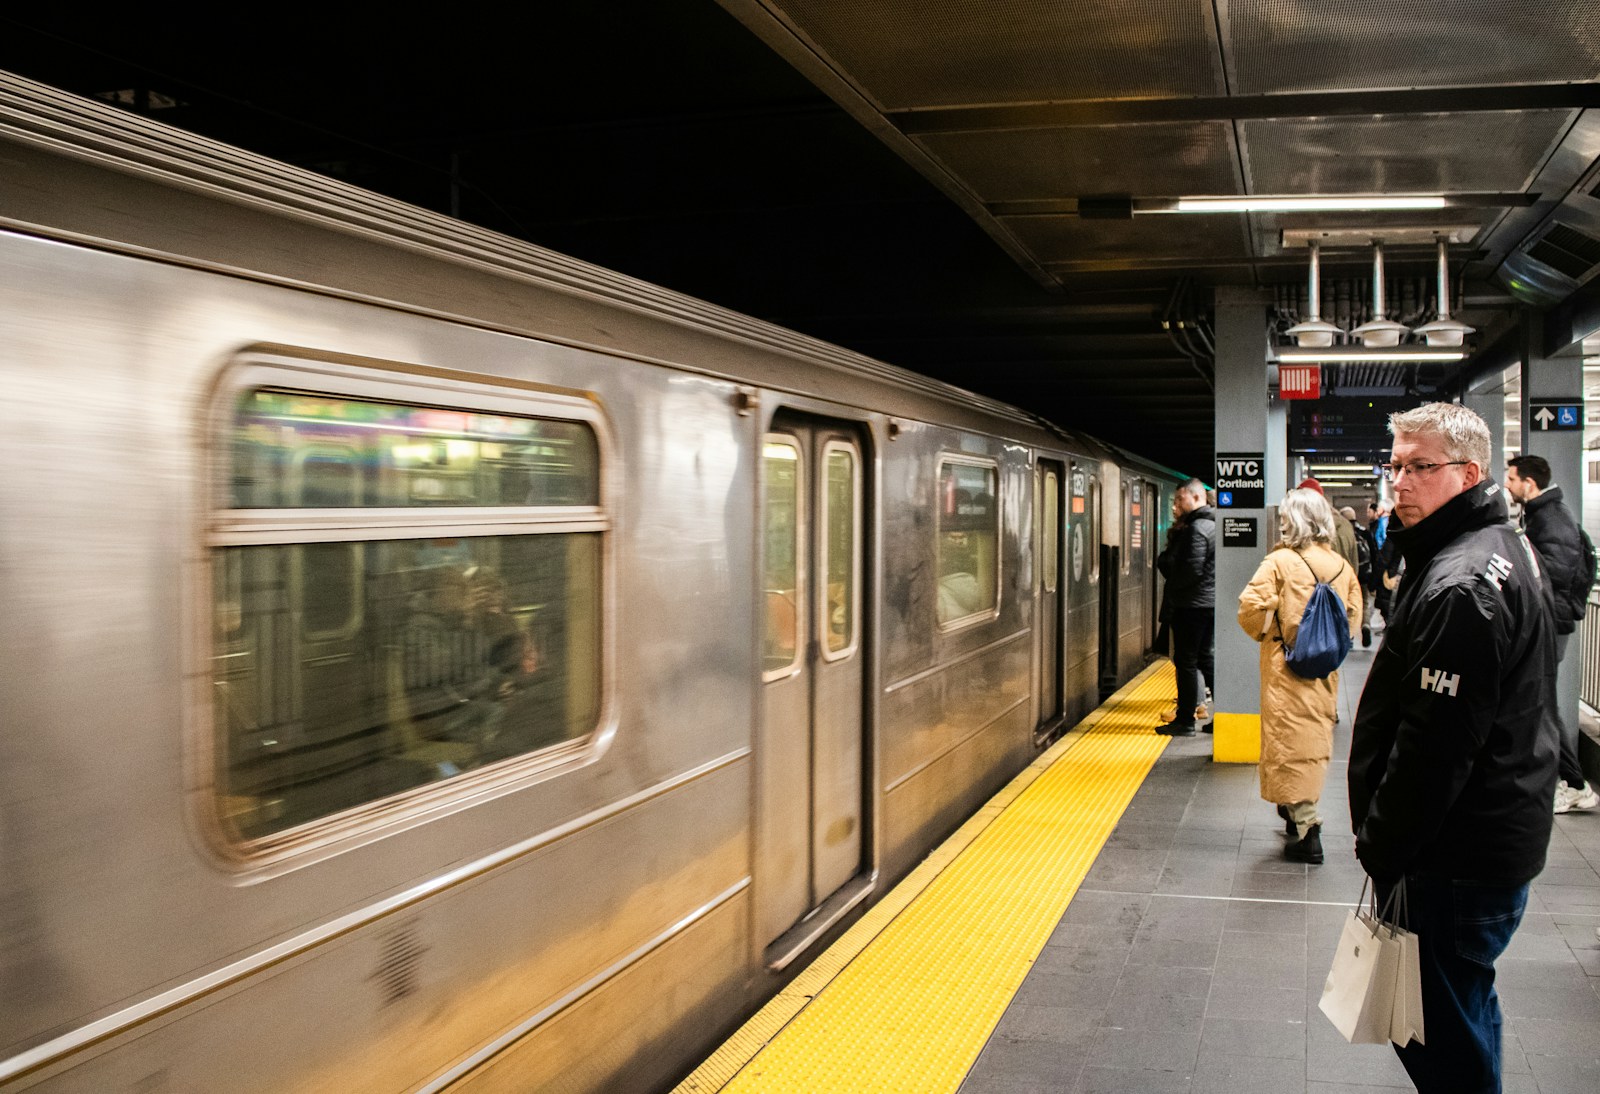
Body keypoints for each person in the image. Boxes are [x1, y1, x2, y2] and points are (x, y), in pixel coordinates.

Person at [1349, 403, 1557, 1094]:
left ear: (1469, 473)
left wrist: (1381, 847)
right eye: (1396, 465)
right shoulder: (1495, 547)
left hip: (1453, 857)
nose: (1399, 482)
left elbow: (1433, 750)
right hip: (1490, 837)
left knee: (1440, 1042)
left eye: (1419, 467)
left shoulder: (1462, 583)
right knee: (1466, 1009)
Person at [1237, 488, 1361, 863]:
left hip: (1284, 668)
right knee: (1311, 738)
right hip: (1323, 670)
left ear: (1294, 522)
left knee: (1289, 741)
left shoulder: (1281, 562)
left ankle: (1308, 827)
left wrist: (1272, 620)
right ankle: (1294, 813)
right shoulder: (1340, 565)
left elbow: (1249, 610)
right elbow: (1353, 615)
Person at [1505, 454, 1599, 813]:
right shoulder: (1542, 515)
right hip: (1546, 619)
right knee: (1538, 700)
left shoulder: (1551, 520)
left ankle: (1575, 784)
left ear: (1529, 483)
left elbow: (1550, 577)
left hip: (1550, 621)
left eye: (1513, 479)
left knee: (1543, 702)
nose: (1509, 485)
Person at [1155, 478, 1215, 736]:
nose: (1176, 505)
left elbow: (1190, 569)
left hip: (1192, 605)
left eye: (1180, 499)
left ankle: (1185, 720)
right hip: (1205, 603)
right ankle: (1222, 715)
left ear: (1196, 497)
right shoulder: (1212, 524)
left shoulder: (1196, 529)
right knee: (1203, 658)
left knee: (1186, 661)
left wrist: (1170, 573)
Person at [1345, 504, 1381, 647]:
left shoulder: (1344, 534)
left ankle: (1350, 634)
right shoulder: (1364, 532)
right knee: (1364, 603)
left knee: (1349, 604)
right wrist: (1374, 577)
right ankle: (1365, 624)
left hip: (1350, 575)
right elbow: (1374, 555)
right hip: (1365, 575)